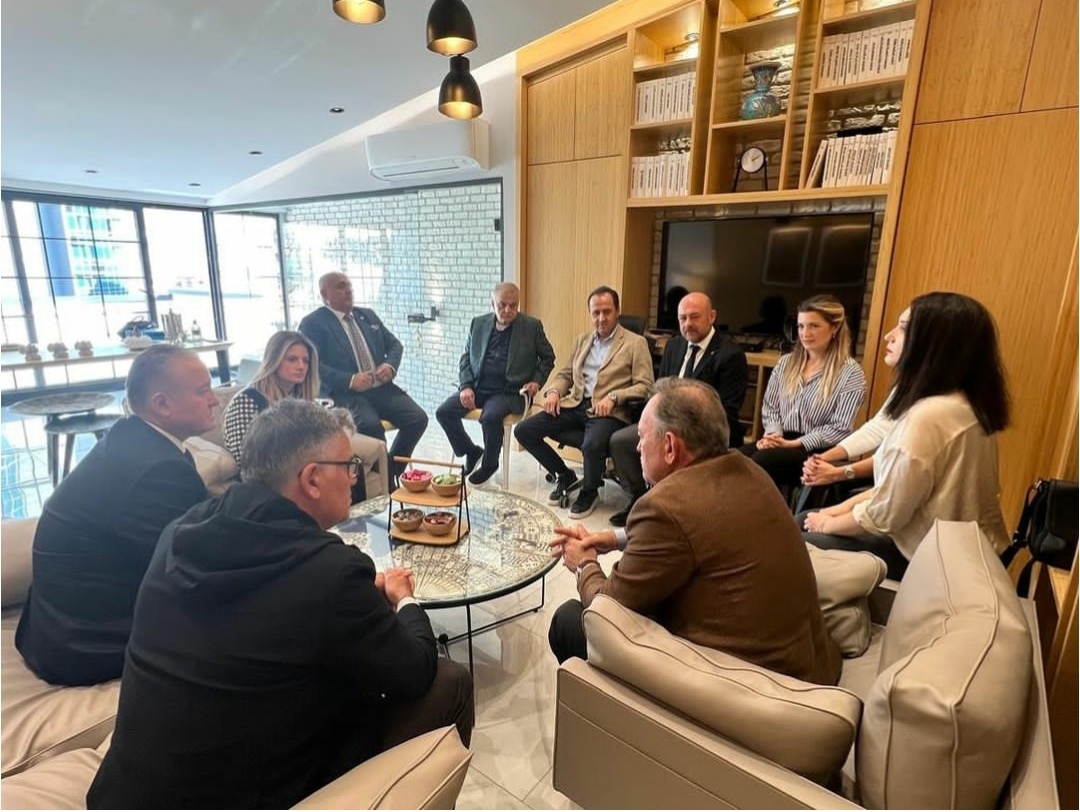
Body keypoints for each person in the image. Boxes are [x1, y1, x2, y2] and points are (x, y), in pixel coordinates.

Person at [87, 400, 474, 809]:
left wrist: (355, 603)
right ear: (312, 479)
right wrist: (404, 598)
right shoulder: (329, 573)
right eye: (348, 466)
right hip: (238, 795)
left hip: (123, 793)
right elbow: (414, 670)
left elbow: (269, 619)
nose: (353, 478)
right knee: (449, 681)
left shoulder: (180, 532)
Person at [547, 378, 840, 686]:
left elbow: (608, 610)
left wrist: (584, 564)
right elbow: (699, 533)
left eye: (642, 437)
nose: (637, 447)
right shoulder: (748, 469)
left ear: (670, 447)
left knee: (570, 620)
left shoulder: (664, 507)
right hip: (811, 665)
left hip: (754, 689)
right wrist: (616, 539)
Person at [15, 344, 217, 686]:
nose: (215, 400)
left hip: (54, 628)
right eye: (203, 391)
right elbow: (192, 565)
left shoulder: (133, 440)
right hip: (85, 643)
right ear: (162, 404)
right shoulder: (157, 470)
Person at [801, 292, 1011, 580]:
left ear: (933, 344)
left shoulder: (930, 416)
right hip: (956, 548)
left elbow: (883, 515)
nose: (889, 336)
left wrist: (826, 523)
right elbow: (893, 489)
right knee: (804, 520)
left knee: (797, 539)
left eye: (902, 328)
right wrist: (832, 511)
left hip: (936, 561)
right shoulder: (958, 403)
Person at [606, 292, 747, 526]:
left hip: (700, 432)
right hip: (664, 422)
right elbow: (659, 390)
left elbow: (728, 410)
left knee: (673, 451)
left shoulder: (730, 355)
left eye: (695, 317)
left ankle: (675, 507)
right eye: (683, 318)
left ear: (712, 316)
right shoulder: (674, 345)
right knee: (620, 441)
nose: (688, 324)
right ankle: (641, 499)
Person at [514, 286, 654, 520]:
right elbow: (566, 374)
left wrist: (614, 397)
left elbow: (645, 385)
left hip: (608, 412)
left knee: (591, 445)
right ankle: (563, 474)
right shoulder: (582, 341)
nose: (601, 318)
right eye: (596, 312)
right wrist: (554, 392)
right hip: (576, 405)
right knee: (524, 430)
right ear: (590, 314)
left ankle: (590, 491)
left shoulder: (635, 343)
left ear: (617, 311)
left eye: (606, 312)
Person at [222, 330, 385, 499]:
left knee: (350, 465)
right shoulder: (247, 400)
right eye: (292, 359)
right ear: (274, 360)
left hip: (301, 467)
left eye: (305, 361)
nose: (301, 366)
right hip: (270, 480)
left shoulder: (300, 398)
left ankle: (356, 515)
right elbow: (247, 461)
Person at [298, 272, 428, 478]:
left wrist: (390, 366)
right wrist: (350, 380)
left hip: (381, 389)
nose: (348, 290)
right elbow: (313, 365)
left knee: (418, 419)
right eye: (341, 286)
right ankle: (385, 482)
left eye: (349, 285)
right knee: (370, 427)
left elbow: (395, 345)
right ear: (325, 295)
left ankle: (390, 471)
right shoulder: (313, 324)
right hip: (347, 393)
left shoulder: (367, 315)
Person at [740, 295, 866, 489]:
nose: (805, 333)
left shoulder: (850, 373)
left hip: (820, 449)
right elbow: (771, 408)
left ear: (834, 328)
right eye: (801, 326)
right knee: (734, 459)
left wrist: (796, 443)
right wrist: (773, 436)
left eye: (814, 326)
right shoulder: (786, 363)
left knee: (762, 461)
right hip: (782, 438)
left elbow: (840, 428)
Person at [436, 282, 555, 485]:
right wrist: (466, 386)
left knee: (490, 417)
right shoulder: (478, 323)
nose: (508, 310)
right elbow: (465, 358)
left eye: (513, 305)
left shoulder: (531, 326)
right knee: (443, 412)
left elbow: (548, 358)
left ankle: (490, 464)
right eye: (502, 305)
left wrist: (536, 381)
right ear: (492, 304)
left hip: (510, 391)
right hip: (478, 387)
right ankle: (471, 451)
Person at [799, 308, 908, 496]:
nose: (888, 336)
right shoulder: (907, 386)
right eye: (801, 326)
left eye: (904, 328)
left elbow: (889, 466)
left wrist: (838, 473)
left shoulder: (850, 372)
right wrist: (822, 458)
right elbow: (878, 428)